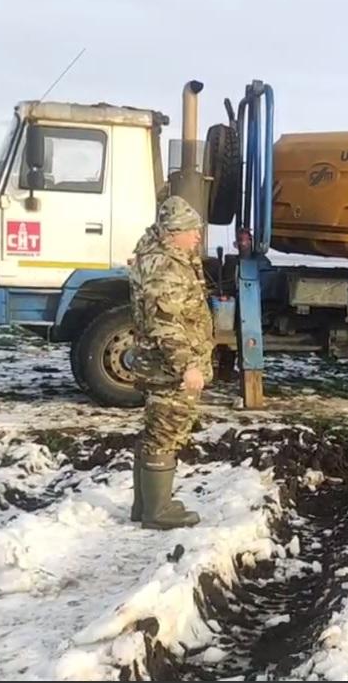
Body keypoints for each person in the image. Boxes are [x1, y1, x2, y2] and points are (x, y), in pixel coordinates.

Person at [127, 195, 213, 529]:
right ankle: (157, 511)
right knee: (165, 431)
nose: (198, 237)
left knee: (156, 430)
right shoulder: (164, 266)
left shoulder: (167, 256)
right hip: (168, 368)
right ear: (173, 232)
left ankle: (146, 506)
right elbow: (166, 324)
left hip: (161, 364)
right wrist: (187, 367)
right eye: (192, 230)